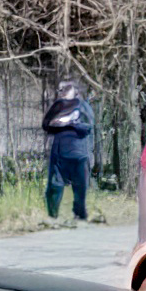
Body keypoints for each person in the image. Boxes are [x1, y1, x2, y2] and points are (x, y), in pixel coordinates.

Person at [42, 79, 96, 224]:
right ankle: (52, 216)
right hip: (59, 153)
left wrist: (70, 124)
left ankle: (80, 216)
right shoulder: (57, 106)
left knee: (80, 186)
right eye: (61, 89)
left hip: (79, 153)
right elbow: (46, 125)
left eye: (67, 88)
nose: (63, 92)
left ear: (75, 91)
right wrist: (59, 124)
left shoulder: (82, 106)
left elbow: (88, 126)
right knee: (55, 185)